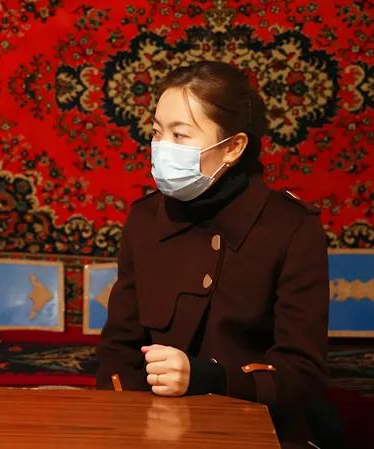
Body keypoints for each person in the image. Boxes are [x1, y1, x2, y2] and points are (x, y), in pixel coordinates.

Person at [96, 61, 330, 449]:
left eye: (180, 135)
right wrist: (132, 426)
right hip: (153, 431)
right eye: (157, 132)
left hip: (258, 430)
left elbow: (302, 374)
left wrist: (212, 378)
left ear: (233, 147)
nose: (162, 147)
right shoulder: (144, 219)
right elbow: (118, 351)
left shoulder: (291, 228)